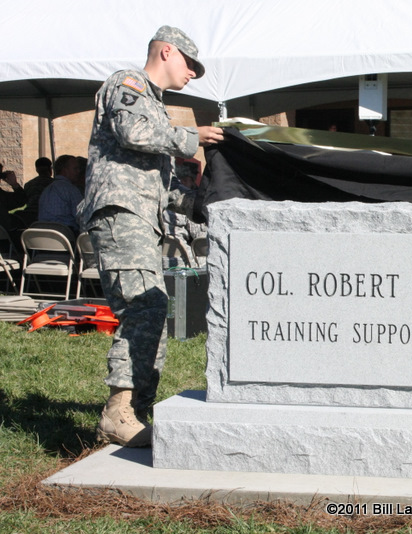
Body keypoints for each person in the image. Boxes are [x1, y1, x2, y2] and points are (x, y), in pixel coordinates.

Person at [79, 25, 224, 447]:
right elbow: (132, 133)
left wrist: (199, 204)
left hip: (141, 217)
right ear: (166, 52)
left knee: (154, 307)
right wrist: (193, 138)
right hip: (121, 214)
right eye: (189, 63)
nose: (192, 73)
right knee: (143, 306)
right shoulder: (128, 84)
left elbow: (159, 184)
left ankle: (135, 409)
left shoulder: (156, 108)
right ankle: (118, 412)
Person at [38, 154, 83, 234]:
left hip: (43, 234)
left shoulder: (46, 190)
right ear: (64, 170)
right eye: (75, 168)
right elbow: (82, 216)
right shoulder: (71, 189)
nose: (78, 171)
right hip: (66, 234)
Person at [19, 157, 53, 225]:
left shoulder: (29, 184)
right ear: (50, 169)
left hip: (28, 217)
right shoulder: (55, 184)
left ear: (37, 170)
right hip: (47, 218)